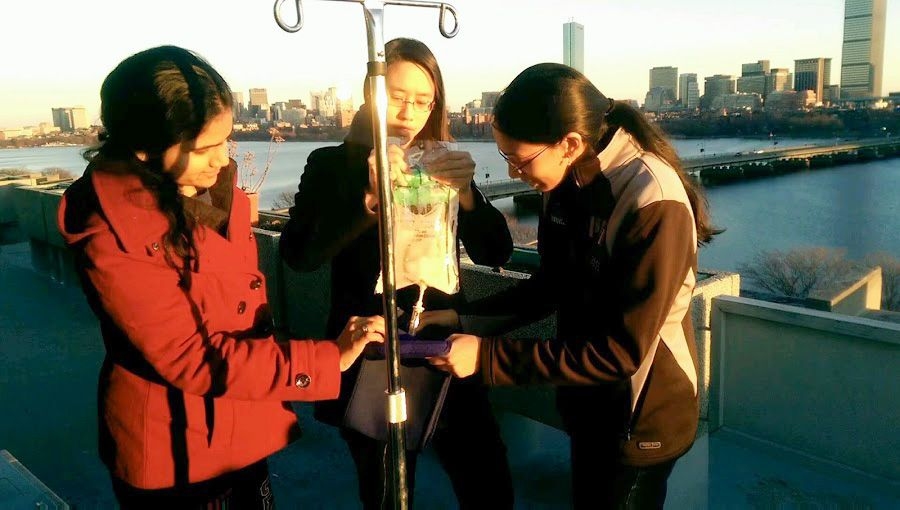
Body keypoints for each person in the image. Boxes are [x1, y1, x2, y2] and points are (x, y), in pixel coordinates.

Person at [57, 45, 385, 509]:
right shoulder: (110, 228)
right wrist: (328, 358)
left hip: (241, 421)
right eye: (203, 148)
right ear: (144, 148)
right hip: (177, 448)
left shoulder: (216, 192)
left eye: (225, 141)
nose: (220, 159)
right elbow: (190, 356)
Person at [422, 63, 718, 509]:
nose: (515, 173)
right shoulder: (566, 179)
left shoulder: (651, 198)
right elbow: (553, 285)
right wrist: (466, 319)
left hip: (641, 416)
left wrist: (485, 359)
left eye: (519, 160)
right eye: (505, 159)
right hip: (588, 405)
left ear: (570, 143)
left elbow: (622, 351)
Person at [279, 38, 515, 509]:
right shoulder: (330, 165)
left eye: (423, 100)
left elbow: (497, 252)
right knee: (385, 489)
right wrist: (369, 200)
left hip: (444, 344)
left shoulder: (444, 165)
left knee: (487, 482)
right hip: (370, 345)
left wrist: (467, 194)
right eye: (398, 96)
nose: (410, 111)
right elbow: (300, 255)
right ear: (372, 93)